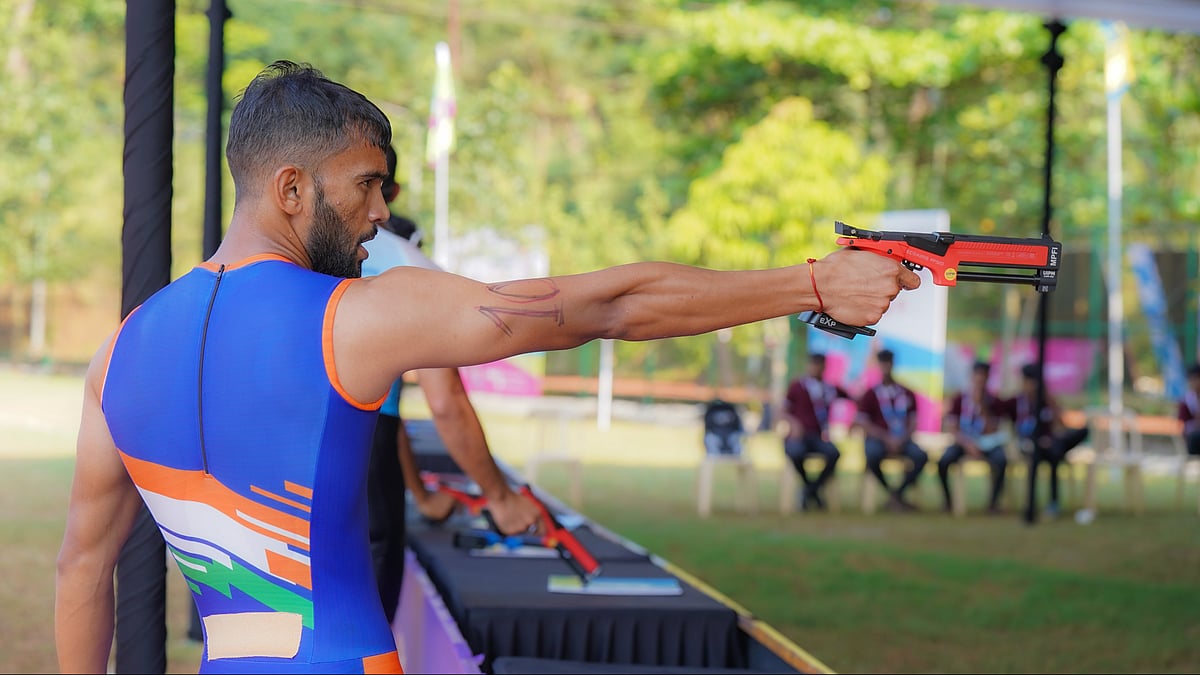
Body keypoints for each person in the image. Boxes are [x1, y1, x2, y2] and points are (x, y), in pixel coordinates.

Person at [54, 60, 920, 674]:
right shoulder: (354, 320)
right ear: (291, 189)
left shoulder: (120, 349)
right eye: (368, 184)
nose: (380, 215)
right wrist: (811, 283)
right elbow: (607, 306)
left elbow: (82, 568)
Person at [362, 144, 540, 626]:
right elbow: (444, 403)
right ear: (390, 192)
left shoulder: (282, 260)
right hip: (361, 450)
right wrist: (500, 498)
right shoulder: (409, 266)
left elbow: (386, 409)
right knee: (365, 622)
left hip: (275, 448)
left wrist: (418, 493)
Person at [1003, 362, 1089, 518]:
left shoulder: (1045, 401)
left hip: (1050, 444)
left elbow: (1060, 425)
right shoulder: (1016, 402)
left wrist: (1050, 403)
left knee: (1075, 436)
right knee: (1052, 453)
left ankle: (1053, 503)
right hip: (1030, 445)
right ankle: (1041, 502)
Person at [857, 349, 928, 511]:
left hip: (902, 438)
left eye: (888, 363)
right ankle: (893, 494)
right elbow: (864, 423)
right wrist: (886, 438)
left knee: (921, 456)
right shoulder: (870, 394)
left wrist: (901, 438)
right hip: (880, 439)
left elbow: (913, 421)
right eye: (883, 363)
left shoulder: (906, 393)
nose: (886, 367)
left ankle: (897, 494)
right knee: (872, 455)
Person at [937, 360, 1009, 514]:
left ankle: (993, 504)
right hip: (964, 442)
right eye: (977, 376)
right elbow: (953, 429)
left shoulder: (995, 401)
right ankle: (948, 501)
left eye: (983, 377)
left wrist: (982, 406)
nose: (980, 380)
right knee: (943, 461)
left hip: (987, 443)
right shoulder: (959, 399)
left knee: (1001, 460)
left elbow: (993, 430)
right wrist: (968, 444)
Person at [782, 353, 851, 510]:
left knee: (834, 453)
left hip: (818, 436)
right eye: (812, 364)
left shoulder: (829, 388)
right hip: (798, 436)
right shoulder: (798, 386)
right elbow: (783, 410)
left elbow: (852, 398)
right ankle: (811, 490)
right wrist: (794, 423)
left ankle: (810, 490)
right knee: (795, 452)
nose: (814, 368)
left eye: (818, 365)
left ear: (823, 367)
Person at [1179, 362, 1200, 457]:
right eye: (1191, 379)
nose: (1193, 382)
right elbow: (1184, 426)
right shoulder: (1187, 401)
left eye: (1196, 379)